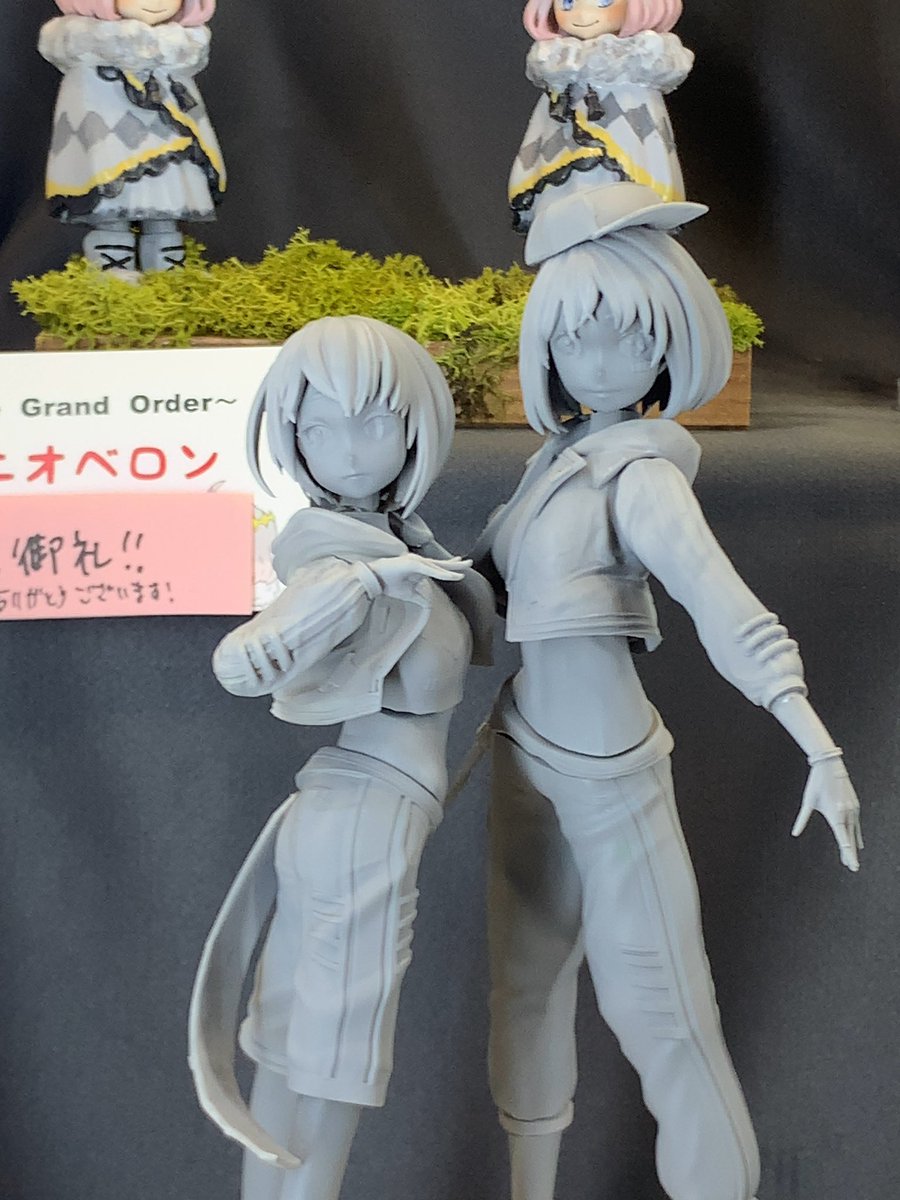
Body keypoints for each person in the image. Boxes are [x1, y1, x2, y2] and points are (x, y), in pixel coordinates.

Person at [473, 226, 862, 1200]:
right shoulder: (557, 460)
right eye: (577, 336)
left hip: (609, 770)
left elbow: (722, 604)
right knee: (524, 992)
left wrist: (814, 741)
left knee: (669, 1025)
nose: (600, 360)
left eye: (632, 337)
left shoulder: (641, 476)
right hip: (526, 745)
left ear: (671, 345)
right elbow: (482, 588)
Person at [190, 316, 493, 1200]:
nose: (348, 448)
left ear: (416, 423)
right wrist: (353, 588)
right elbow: (241, 664)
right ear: (293, 442)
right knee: (330, 1066)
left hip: (358, 813)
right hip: (364, 823)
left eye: (372, 421)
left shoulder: (401, 543)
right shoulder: (340, 563)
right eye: (319, 428)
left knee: (300, 1050)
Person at [39, 0, 224, 271]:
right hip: (110, 142)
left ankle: (168, 261)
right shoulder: (89, 49)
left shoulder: (175, 52)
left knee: (169, 195)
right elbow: (85, 119)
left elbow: (191, 113)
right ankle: (113, 262)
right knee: (111, 196)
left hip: (172, 140)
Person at [510, 0, 693, 251]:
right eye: (567, 2)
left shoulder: (639, 61)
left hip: (627, 156)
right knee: (567, 196)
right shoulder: (560, 62)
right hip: (564, 154)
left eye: (603, 1)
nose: (583, 14)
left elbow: (645, 130)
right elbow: (546, 125)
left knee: (624, 197)